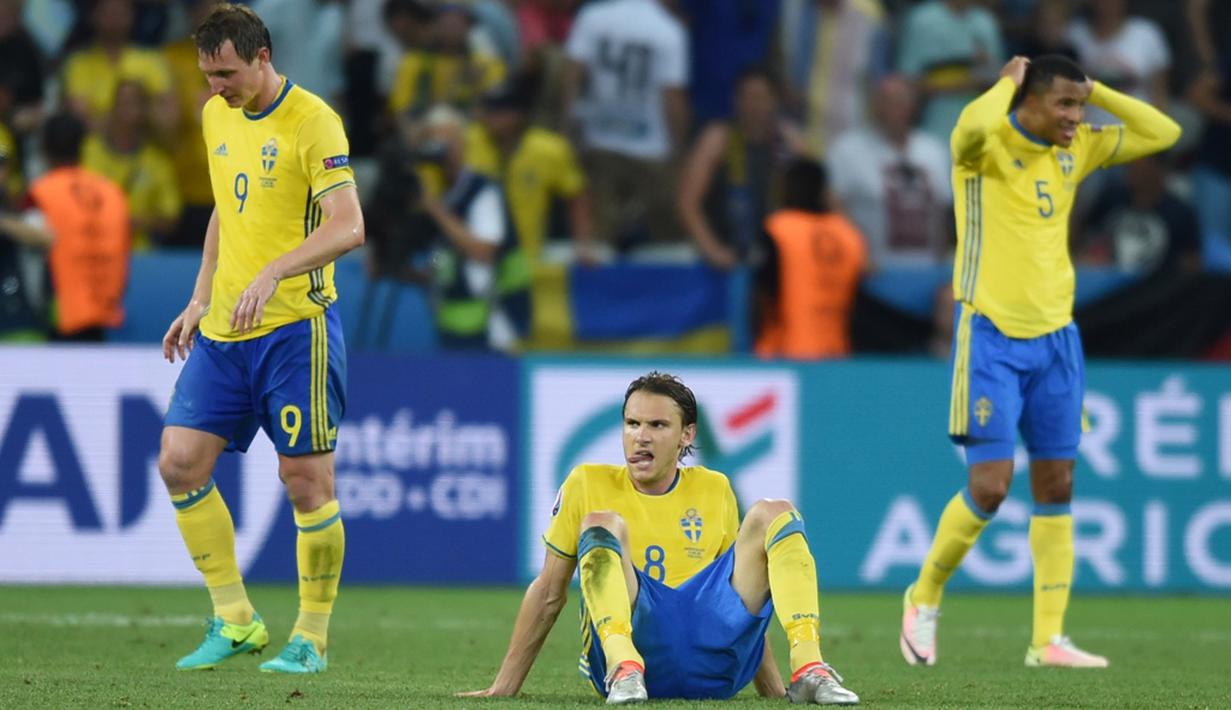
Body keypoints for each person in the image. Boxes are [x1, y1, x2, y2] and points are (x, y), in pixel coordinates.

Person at [900, 55, 1180, 669]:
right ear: (1028, 99)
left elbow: (1166, 133)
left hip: (1058, 341)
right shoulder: (986, 147)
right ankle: (922, 597)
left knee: (1058, 485)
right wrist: (1004, 81)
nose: (1076, 118)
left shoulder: (1074, 150)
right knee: (992, 486)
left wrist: (1096, 87)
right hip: (991, 335)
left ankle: (1046, 640)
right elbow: (967, 128)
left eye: (1081, 108)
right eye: (1065, 105)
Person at [157, 4, 364, 674]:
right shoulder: (215, 114)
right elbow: (227, 205)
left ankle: (311, 637)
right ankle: (235, 619)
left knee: (305, 479)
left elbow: (348, 226)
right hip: (225, 327)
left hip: (292, 327)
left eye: (227, 72)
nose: (217, 85)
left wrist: (275, 269)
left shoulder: (313, 120)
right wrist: (199, 295)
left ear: (263, 55)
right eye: (208, 73)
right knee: (179, 462)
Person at [459, 372, 860, 704]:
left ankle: (809, 667)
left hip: (712, 663)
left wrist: (772, 692)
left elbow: (739, 604)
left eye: (657, 425)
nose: (641, 437)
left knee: (776, 511)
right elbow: (549, 591)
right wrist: (504, 687)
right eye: (632, 424)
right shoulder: (586, 483)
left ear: (687, 435)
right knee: (602, 523)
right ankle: (624, 667)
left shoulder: (714, 488)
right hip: (633, 652)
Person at [22, 112, 131, 342]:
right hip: (103, 307)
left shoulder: (41, 192)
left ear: (44, 148)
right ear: (83, 146)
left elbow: (35, 240)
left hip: (60, 312)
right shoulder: (110, 191)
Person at [754, 159, 866, 360]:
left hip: (786, 351)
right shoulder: (847, 233)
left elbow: (764, 292)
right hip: (837, 351)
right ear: (825, 191)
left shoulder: (779, 228)